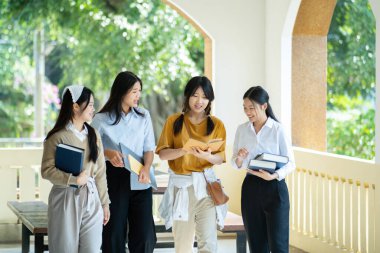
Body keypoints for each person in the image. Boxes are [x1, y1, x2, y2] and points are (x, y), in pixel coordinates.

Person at [156, 76, 227, 253]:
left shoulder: (217, 124)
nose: (199, 101)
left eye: (204, 97)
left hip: (207, 188)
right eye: (195, 95)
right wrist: (184, 150)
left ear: (209, 100)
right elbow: (163, 154)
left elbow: (220, 158)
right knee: (183, 245)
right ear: (188, 96)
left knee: (208, 244)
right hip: (182, 188)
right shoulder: (173, 121)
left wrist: (207, 156)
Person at [91, 71, 156, 253]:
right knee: (113, 233)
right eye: (134, 91)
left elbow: (149, 148)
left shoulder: (144, 116)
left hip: (141, 176)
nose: (138, 96)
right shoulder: (101, 119)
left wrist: (147, 167)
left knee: (144, 235)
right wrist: (109, 153)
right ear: (121, 91)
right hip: (114, 178)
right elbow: (90, 150)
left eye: (139, 91)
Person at [41, 85, 110, 253]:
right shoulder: (56, 137)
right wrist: (73, 180)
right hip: (65, 198)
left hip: (92, 199)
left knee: (92, 249)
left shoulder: (94, 135)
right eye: (91, 104)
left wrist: (105, 203)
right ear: (75, 106)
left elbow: (100, 172)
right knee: (64, 248)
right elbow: (46, 170)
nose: (93, 109)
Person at [231, 86, 295, 253]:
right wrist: (239, 158)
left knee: (279, 245)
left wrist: (273, 176)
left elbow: (291, 163)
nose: (248, 112)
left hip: (275, 188)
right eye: (245, 108)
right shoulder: (242, 130)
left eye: (251, 108)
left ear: (264, 106)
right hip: (251, 188)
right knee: (256, 244)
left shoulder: (277, 130)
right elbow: (235, 162)